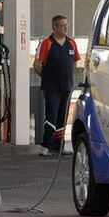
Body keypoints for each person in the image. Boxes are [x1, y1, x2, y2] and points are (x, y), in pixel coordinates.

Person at [38, 15, 80, 156]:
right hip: (52, 87)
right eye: (62, 25)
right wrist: (47, 78)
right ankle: (47, 145)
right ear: (55, 27)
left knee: (63, 116)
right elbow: (37, 64)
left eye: (67, 24)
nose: (66, 27)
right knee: (51, 114)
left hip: (67, 86)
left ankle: (59, 146)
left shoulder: (72, 43)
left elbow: (75, 62)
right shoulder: (47, 43)